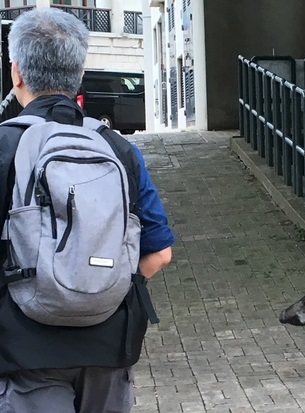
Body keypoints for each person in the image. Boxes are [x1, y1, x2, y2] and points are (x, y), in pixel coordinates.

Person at [0, 8, 175, 413]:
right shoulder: (118, 148)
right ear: (79, 73)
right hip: (109, 346)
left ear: (17, 73)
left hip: (22, 351)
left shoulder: (5, 145)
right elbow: (160, 252)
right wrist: (102, 290)